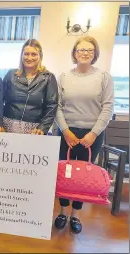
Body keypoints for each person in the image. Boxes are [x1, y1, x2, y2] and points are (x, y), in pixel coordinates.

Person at [54, 36, 114, 234]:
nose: (85, 53)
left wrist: (94, 133)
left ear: (95, 53)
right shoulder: (63, 77)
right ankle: (62, 212)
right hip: (66, 133)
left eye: (89, 50)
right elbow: (57, 107)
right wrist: (65, 131)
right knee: (64, 174)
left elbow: (107, 107)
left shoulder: (104, 77)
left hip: (92, 135)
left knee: (83, 177)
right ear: (74, 53)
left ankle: (76, 215)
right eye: (81, 50)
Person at [2, 39, 58, 134]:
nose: (29, 57)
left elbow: (51, 106)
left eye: (34, 54)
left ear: (40, 56)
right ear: (22, 55)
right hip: (8, 126)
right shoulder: (11, 75)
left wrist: (42, 128)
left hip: (35, 129)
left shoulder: (48, 78)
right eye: (26, 54)